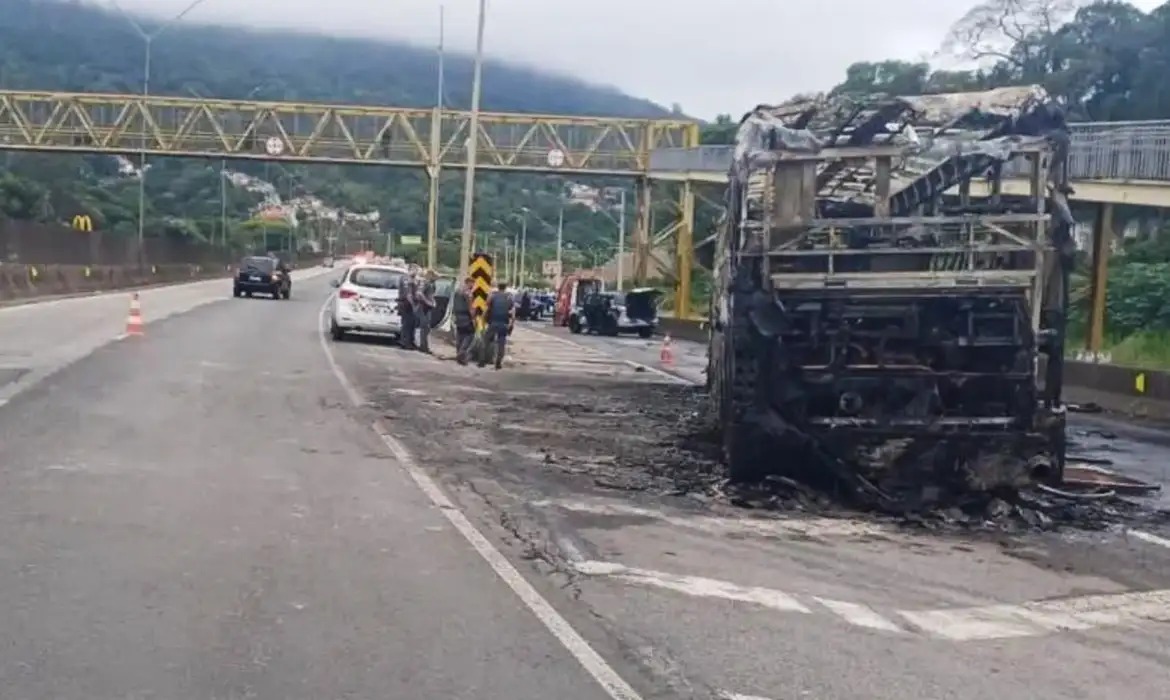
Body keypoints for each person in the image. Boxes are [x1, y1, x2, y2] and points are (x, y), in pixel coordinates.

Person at [479, 281, 514, 370]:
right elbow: (513, 313)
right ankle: (498, 362)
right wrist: (511, 325)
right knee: (501, 344)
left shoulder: (492, 296)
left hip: (493, 323)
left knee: (485, 341)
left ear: (498, 287)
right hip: (504, 324)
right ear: (505, 287)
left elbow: (486, 309)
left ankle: (482, 361)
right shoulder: (509, 297)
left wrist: (482, 321)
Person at [451, 276, 476, 365]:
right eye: (473, 283)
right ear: (469, 283)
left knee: (460, 335)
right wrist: (473, 318)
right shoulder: (468, 293)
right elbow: (470, 307)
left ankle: (459, 354)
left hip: (458, 316)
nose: (474, 285)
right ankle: (462, 353)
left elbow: (453, 304)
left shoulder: (457, 291)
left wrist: (453, 315)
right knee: (470, 335)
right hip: (466, 317)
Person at [414, 269, 437, 353]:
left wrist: (432, 302)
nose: (435, 278)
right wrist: (427, 302)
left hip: (426, 307)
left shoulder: (430, 284)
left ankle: (424, 345)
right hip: (424, 307)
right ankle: (423, 346)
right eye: (434, 276)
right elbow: (419, 294)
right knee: (424, 327)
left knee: (426, 328)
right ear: (429, 275)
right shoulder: (426, 283)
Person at [399, 269, 417, 350]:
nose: (416, 273)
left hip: (406, 304)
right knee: (407, 324)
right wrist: (413, 305)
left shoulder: (409, 279)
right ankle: (405, 342)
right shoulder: (407, 279)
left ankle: (408, 342)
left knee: (410, 324)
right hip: (407, 304)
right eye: (415, 270)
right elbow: (408, 295)